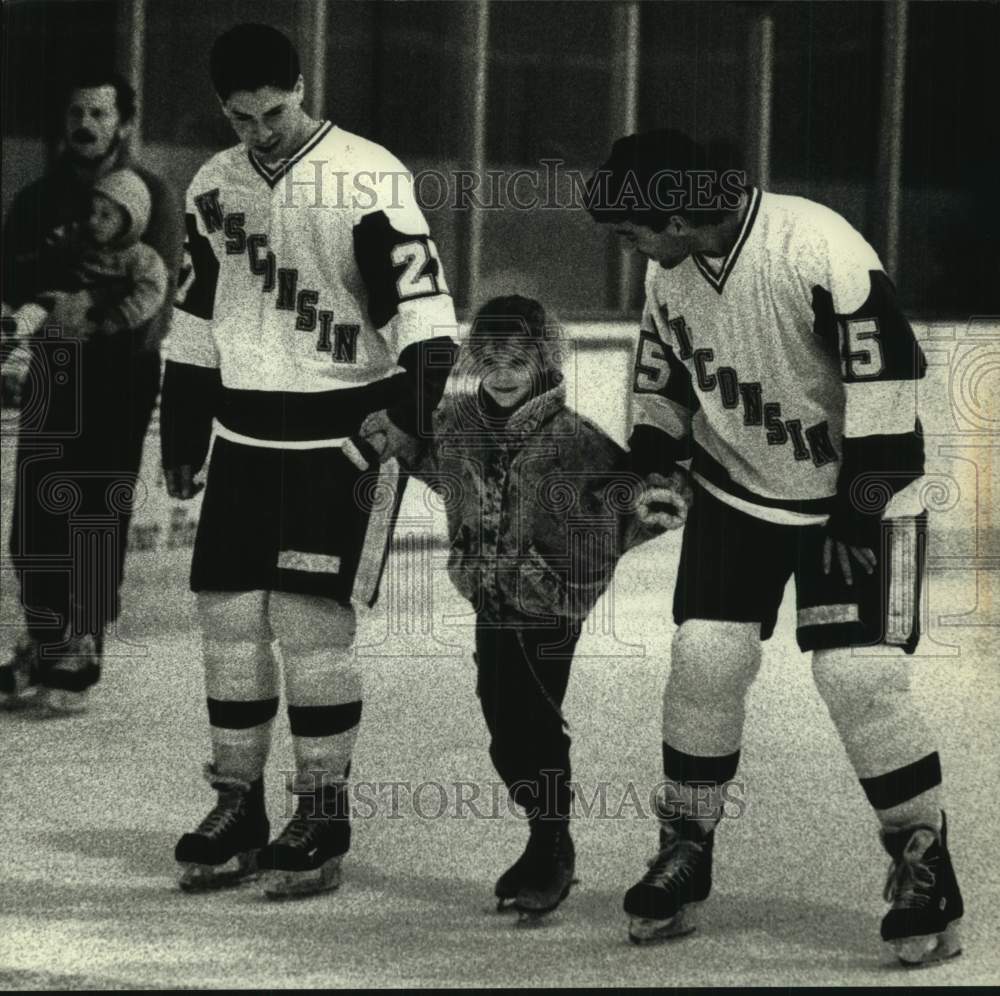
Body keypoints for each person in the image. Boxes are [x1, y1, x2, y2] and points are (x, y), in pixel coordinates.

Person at [585, 129, 963, 963]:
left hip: (864, 491)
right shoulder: (668, 271)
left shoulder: (818, 247)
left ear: (679, 215)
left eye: (633, 231)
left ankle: (923, 862)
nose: (628, 248)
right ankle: (686, 845)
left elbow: (889, 384)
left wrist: (857, 517)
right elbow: (662, 378)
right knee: (705, 656)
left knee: (858, 673)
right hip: (741, 491)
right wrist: (654, 461)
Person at [162, 24, 457, 899]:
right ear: (224, 111)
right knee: (227, 616)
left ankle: (323, 808)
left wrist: (410, 422)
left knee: (309, 623)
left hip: (344, 432)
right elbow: (197, 310)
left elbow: (424, 314)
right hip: (245, 432)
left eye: (277, 111)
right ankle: (238, 802)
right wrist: (184, 424)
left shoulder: (365, 174)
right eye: (244, 118)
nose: (263, 131)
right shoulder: (213, 181)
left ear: (302, 87)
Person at [385, 295, 661, 918]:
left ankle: (549, 844)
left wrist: (573, 567)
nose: (504, 373)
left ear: (544, 361)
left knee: (531, 719)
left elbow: (642, 504)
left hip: (548, 605)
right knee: (502, 726)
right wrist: (398, 444)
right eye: (491, 360)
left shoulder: (575, 439)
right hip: (488, 597)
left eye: (518, 360)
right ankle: (546, 835)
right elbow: (439, 468)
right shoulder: (457, 426)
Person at [0, 68, 182, 712]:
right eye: (77, 112)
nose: (87, 125)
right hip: (55, 370)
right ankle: (43, 641)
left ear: (123, 124)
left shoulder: (152, 196)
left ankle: (80, 645)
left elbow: (156, 300)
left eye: (101, 114)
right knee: (37, 515)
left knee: (96, 507)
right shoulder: (36, 202)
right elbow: (16, 282)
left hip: (118, 375)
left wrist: (93, 319)